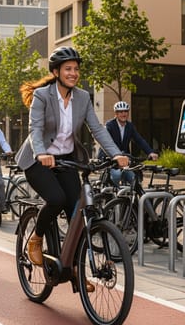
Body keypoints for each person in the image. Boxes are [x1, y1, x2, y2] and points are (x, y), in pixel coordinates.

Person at [16, 46, 129, 276]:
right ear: (56, 72)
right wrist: (41, 153)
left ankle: (76, 270)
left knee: (76, 213)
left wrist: (116, 154)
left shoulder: (83, 97)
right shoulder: (42, 95)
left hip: (66, 160)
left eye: (76, 69)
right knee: (56, 199)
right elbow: (35, 129)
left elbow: (97, 128)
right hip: (38, 161)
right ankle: (36, 237)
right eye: (68, 69)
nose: (73, 73)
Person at [99, 100, 159, 186]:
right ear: (116, 114)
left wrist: (150, 152)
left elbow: (139, 140)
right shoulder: (110, 125)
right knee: (116, 175)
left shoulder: (130, 126)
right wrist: (113, 155)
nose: (124, 114)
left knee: (134, 178)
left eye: (126, 111)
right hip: (110, 160)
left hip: (125, 160)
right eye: (121, 112)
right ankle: (112, 193)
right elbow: (106, 142)